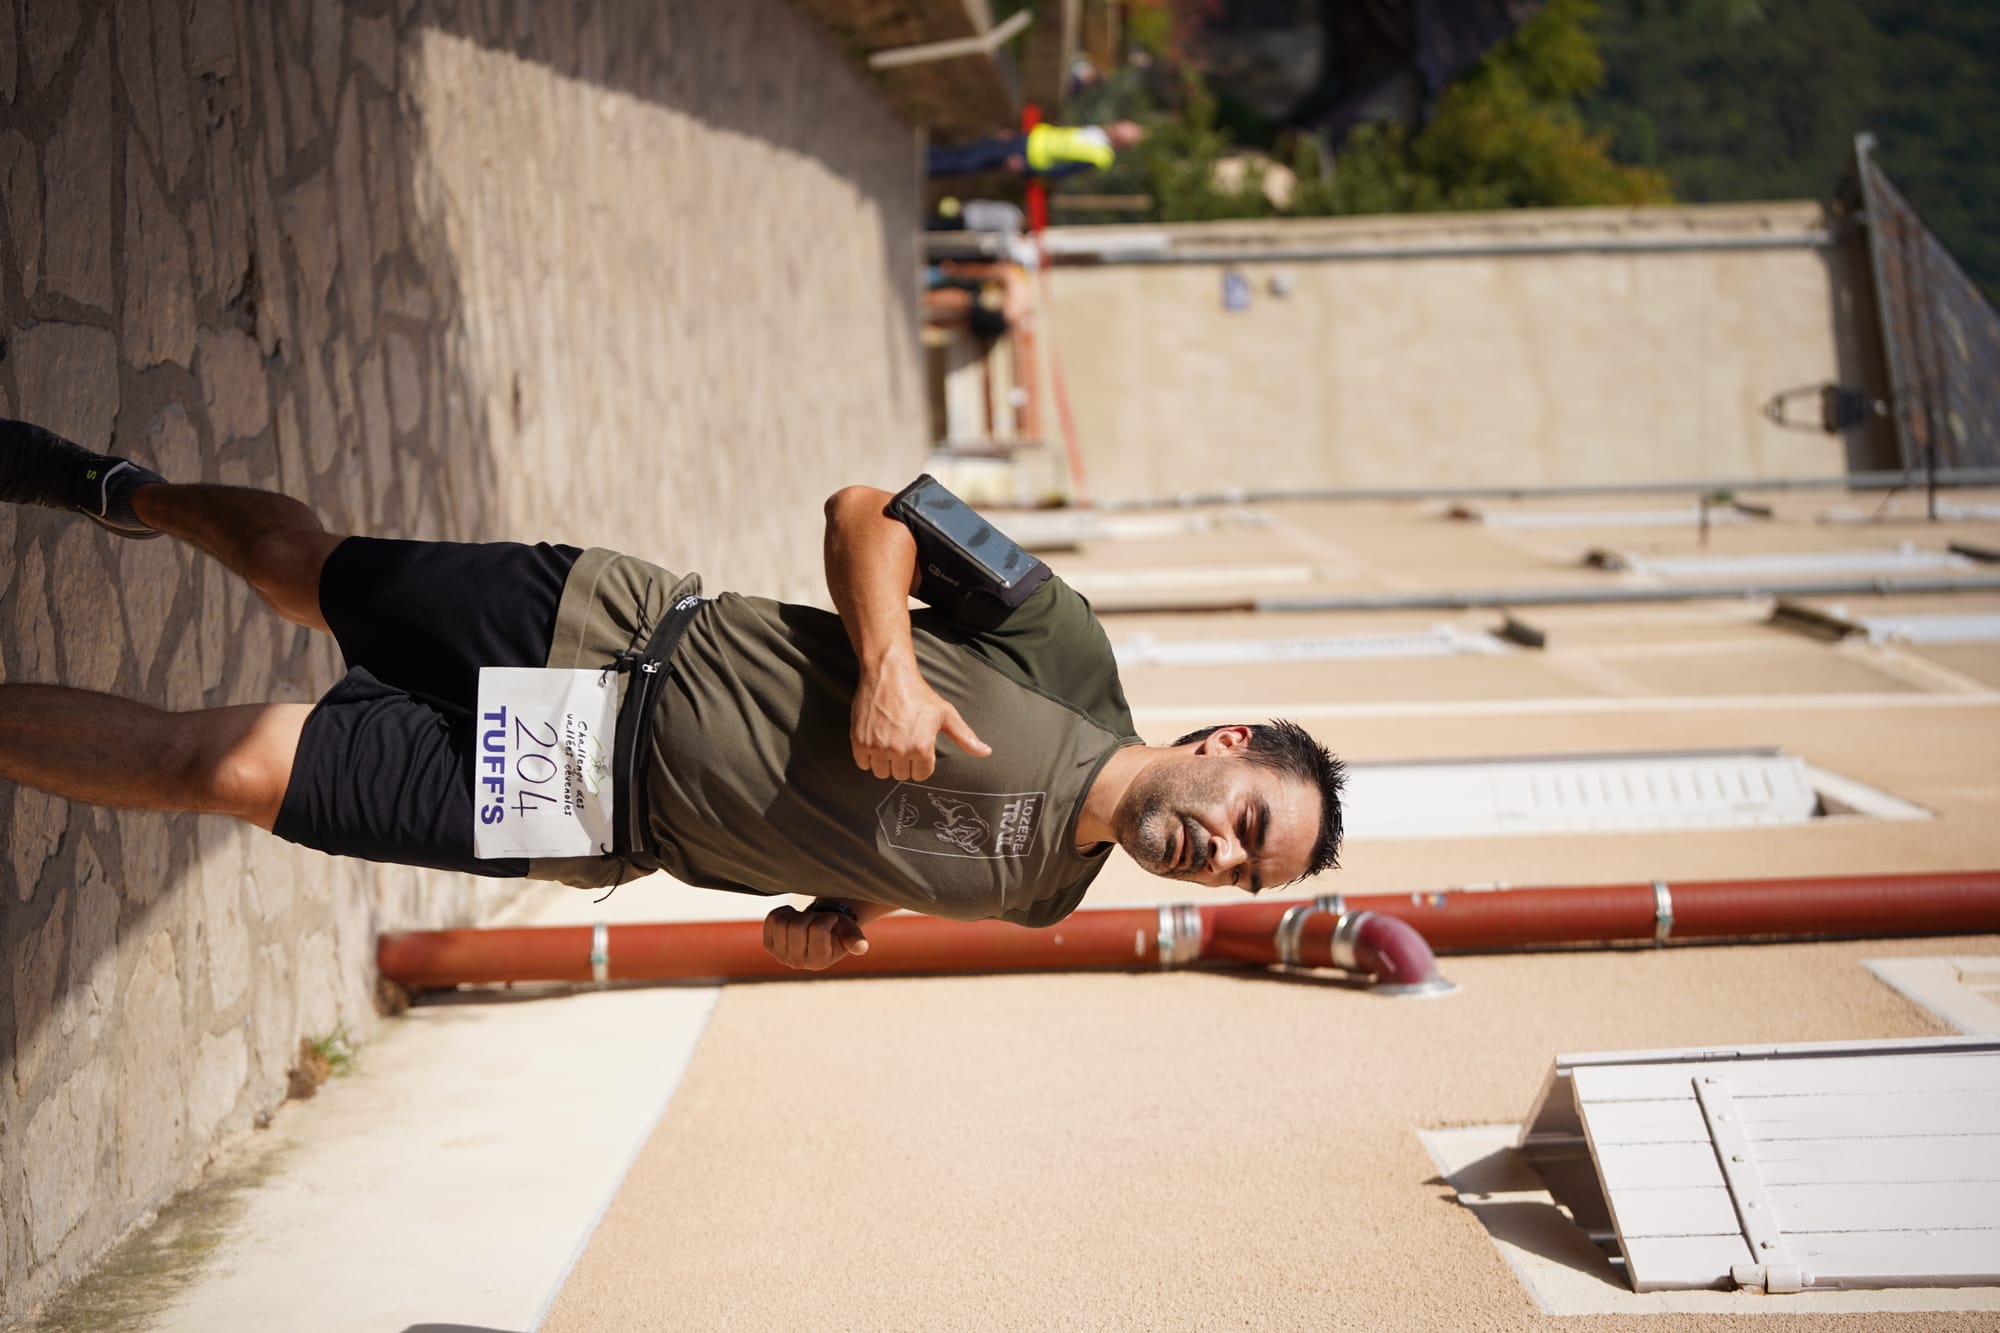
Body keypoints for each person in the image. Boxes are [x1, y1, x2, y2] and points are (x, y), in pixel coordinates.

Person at [0, 418, 1345, 971]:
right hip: (604, 636)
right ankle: (124, 494)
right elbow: (870, 510)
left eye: (1238, 873)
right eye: (1244, 818)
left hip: (578, 802)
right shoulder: (1065, 647)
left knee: (221, 769)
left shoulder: (1047, 899)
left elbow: (901, 848)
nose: (1218, 851)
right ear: (1224, 745)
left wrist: (834, 916)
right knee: (297, 569)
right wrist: (886, 667)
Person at [926, 120, 1145, 181]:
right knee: (975, 150)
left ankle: (930, 166)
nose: (1117, 125)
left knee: (972, 161)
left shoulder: (1101, 156)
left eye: (1122, 128)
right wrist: (1024, 133)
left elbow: (1062, 169)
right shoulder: (1097, 131)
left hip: (1027, 155)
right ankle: (929, 157)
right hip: (1027, 140)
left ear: (1122, 141)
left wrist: (1027, 168)